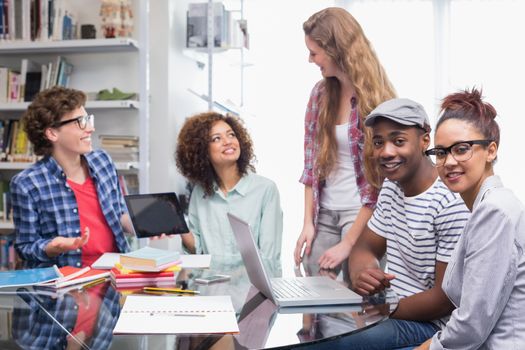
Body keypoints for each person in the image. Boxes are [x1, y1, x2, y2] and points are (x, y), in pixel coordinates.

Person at [317, 98, 470, 350]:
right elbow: (364, 248)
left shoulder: (449, 202)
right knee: (320, 332)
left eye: (398, 141)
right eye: (378, 142)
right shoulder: (391, 187)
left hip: (431, 326)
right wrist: (363, 274)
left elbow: (446, 297)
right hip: (393, 313)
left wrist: (388, 307)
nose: (386, 152)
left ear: (424, 140)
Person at [415, 89, 525, 349]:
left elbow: (472, 324)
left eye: (461, 149)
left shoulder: (495, 211)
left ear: (490, 150)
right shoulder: (488, 205)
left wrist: (429, 347)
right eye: (441, 153)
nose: (449, 161)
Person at [294, 7, 396, 278]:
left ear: (336, 49)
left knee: (359, 287)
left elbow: (379, 182)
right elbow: (310, 166)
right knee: (315, 284)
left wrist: (349, 242)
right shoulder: (320, 94)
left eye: (314, 52)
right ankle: (308, 325)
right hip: (325, 210)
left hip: (362, 210)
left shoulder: (377, 99)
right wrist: (307, 223)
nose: (310, 59)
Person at [11, 86, 133, 267]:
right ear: (52, 133)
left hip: (115, 275)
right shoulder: (27, 183)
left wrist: (144, 225)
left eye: (88, 119)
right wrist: (53, 246)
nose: (91, 128)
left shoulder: (102, 161)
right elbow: (25, 247)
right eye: (80, 122)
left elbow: (118, 213)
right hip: (67, 285)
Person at [175, 112, 283, 269]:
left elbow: (269, 258)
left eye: (231, 135)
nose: (228, 141)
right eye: (216, 138)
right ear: (202, 150)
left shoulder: (265, 190)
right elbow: (197, 251)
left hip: (252, 289)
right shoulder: (200, 193)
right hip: (211, 288)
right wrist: (178, 227)